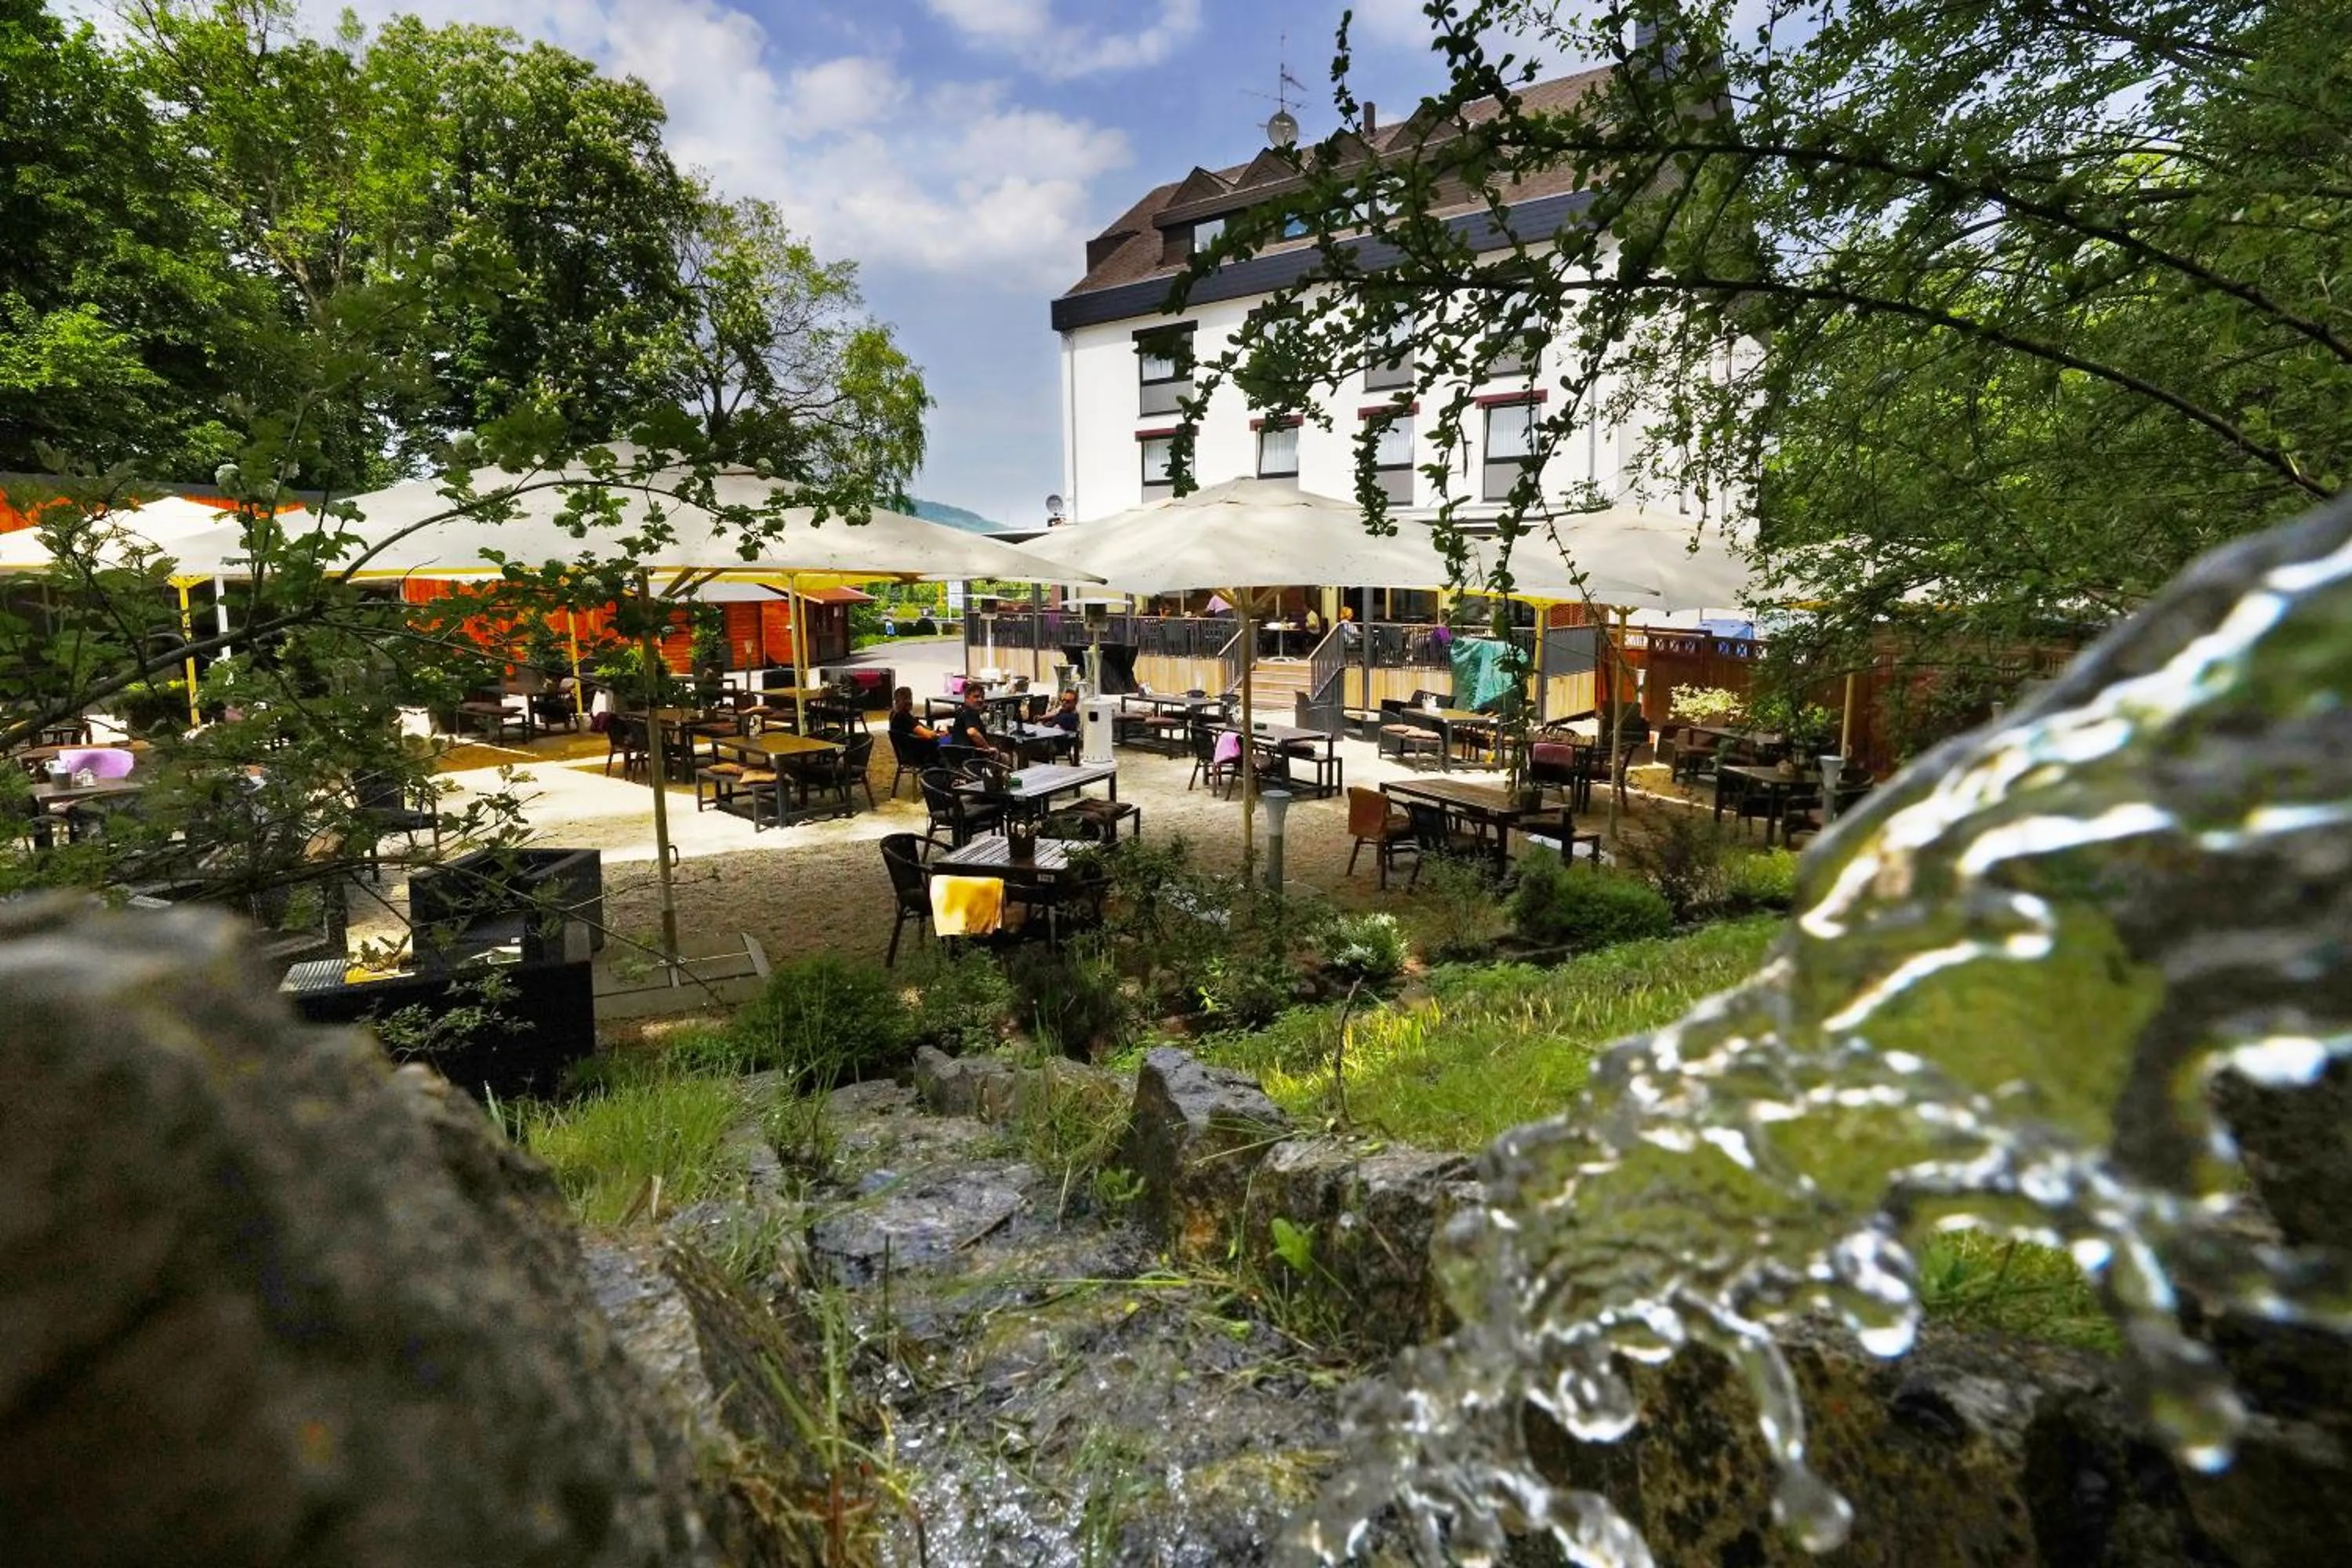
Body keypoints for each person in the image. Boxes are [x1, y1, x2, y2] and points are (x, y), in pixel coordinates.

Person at [887, 687, 943, 762]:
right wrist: (938, 734)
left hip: (907, 752)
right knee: (947, 744)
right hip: (917, 754)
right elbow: (928, 735)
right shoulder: (904, 717)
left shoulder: (894, 714)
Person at [948, 684, 1002, 760]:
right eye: (976, 697)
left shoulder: (961, 711)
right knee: (1005, 757)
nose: (980, 700)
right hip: (971, 758)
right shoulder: (970, 712)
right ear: (966, 698)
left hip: (959, 757)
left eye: (982, 697)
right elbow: (972, 732)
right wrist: (988, 749)